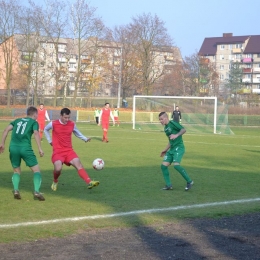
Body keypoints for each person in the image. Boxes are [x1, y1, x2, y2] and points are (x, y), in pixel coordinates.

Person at [44, 107, 99, 191]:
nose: (67, 119)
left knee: (78, 164)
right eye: (65, 117)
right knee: (58, 169)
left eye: (68, 117)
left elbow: (77, 133)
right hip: (58, 151)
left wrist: (85, 138)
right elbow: (45, 129)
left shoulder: (72, 124)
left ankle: (89, 182)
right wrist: (50, 141)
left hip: (69, 150)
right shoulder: (53, 123)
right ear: (61, 116)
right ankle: (55, 181)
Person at [0, 106, 45, 201]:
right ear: (35, 114)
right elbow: (36, 133)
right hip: (25, 148)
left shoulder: (17, 120)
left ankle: (16, 190)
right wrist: (40, 148)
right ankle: (36, 191)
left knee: (16, 171)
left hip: (13, 148)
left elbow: (6, 130)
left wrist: (2, 144)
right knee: (36, 171)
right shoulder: (34, 122)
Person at [158, 112, 193, 191]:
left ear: (166, 118)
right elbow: (171, 141)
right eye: (159, 120)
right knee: (163, 166)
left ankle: (189, 181)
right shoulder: (166, 128)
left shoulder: (172, 123)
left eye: (161, 119)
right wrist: (165, 150)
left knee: (176, 165)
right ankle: (168, 185)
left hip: (179, 148)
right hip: (172, 149)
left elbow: (183, 130)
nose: (160, 121)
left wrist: (176, 135)